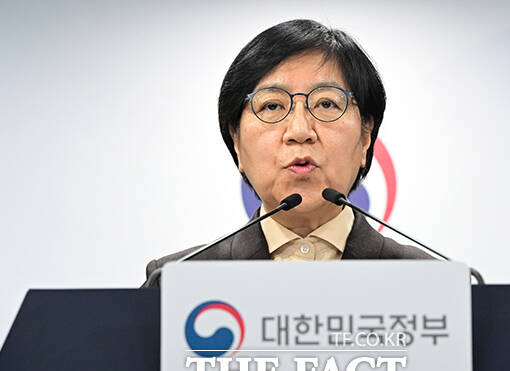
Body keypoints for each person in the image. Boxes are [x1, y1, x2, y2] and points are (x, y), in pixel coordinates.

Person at [143, 19, 432, 287]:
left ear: (366, 136)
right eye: (272, 106)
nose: (299, 131)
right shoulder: (177, 283)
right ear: (236, 141)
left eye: (326, 104)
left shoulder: (429, 282)